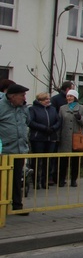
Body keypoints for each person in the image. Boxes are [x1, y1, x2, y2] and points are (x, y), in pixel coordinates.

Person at [0, 84, 30, 214]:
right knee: (2, 179)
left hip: (19, 150)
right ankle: (2, 205)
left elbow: (27, 123)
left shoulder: (23, 108)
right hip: (4, 151)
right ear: (12, 96)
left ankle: (17, 205)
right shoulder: (1, 107)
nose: (24, 98)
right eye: (22, 95)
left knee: (17, 179)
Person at [28, 92, 61, 188]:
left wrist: (53, 128)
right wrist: (44, 128)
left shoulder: (53, 109)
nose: (48, 101)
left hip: (51, 137)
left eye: (48, 99)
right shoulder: (33, 109)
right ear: (40, 100)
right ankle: (36, 182)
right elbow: (31, 122)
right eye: (46, 99)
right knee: (37, 161)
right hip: (38, 138)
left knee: (48, 161)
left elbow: (58, 121)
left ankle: (45, 181)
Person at [57, 89, 83, 188]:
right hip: (65, 137)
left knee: (75, 161)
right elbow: (59, 122)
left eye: (71, 96)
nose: (69, 98)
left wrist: (79, 118)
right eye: (68, 96)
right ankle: (62, 179)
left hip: (77, 138)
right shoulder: (62, 108)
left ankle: (73, 180)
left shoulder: (82, 108)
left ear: (75, 98)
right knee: (63, 161)